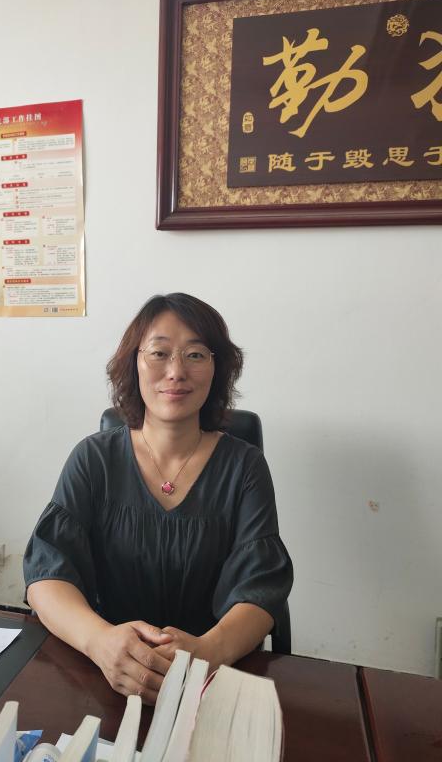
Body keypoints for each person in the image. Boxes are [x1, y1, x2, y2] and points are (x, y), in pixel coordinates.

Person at [24, 293, 293, 705]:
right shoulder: (94, 458)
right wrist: (101, 642)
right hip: (103, 672)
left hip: (208, 679)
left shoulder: (244, 466)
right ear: (133, 363)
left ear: (217, 368)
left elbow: (260, 587)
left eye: (195, 355)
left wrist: (209, 651)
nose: (176, 371)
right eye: (159, 353)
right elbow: (46, 575)